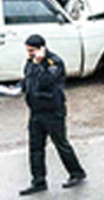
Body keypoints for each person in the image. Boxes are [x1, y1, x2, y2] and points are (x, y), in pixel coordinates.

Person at [17, 34, 86, 194]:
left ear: (42, 48)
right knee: (35, 148)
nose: (29, 54)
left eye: (32, 51)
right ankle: (38, 181)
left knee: (61, 144)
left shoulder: (54, 62)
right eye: (27, 50)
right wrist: (17, 88)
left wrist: (38, 62)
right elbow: (28, 79)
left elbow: (45, 81)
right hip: (36, 111)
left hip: (52, 112)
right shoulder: (30, 61)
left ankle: (76, 173)